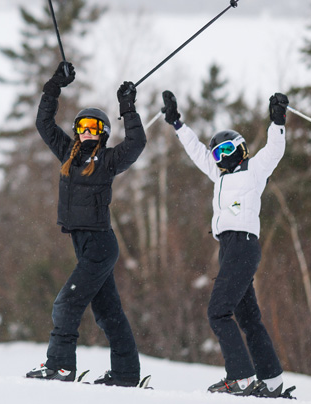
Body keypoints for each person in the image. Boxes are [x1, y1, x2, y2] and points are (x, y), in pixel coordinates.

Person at [160, 90, 290, 397]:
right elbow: (196, 152)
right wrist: (178, 124)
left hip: (244, 244)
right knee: (248, 317)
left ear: (242, 149)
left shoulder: (253, 171)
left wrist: (277, 119)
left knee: (218, 312)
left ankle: (241, 377)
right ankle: (271, 379)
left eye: (227, 150)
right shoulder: (218, 176)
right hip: (229, 248)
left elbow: (274, 150)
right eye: (217, 154)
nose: (221, 158)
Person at [25, 61, 147, 386]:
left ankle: (61, 367)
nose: (88, 132)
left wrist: (128, 108)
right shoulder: (67, 154)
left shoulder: (107, 161)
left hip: (99, 246)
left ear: (104, 133)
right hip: (85, 246)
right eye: (83, 126)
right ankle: (126, 375)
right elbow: (44, 123)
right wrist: (54, 86)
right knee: (108, 314)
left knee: (66, 304)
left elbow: (136, 145)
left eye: (95, 127)